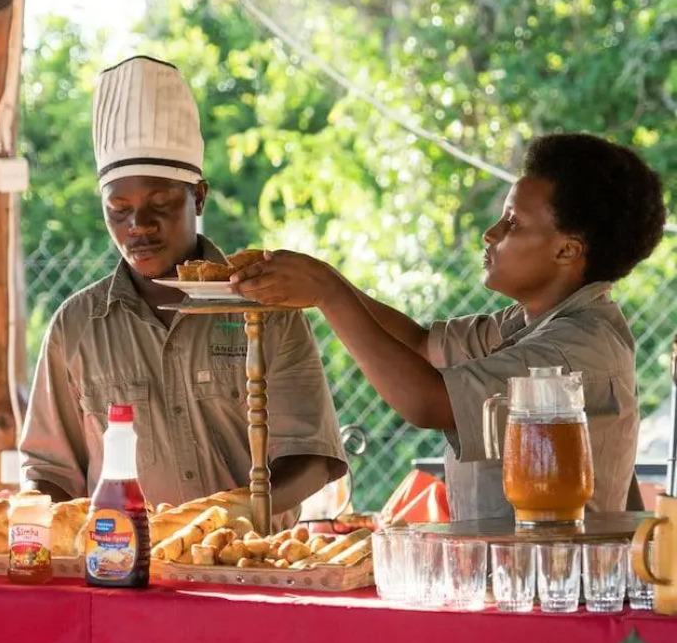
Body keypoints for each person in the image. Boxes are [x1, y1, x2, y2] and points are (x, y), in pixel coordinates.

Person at [232, 133, 667, 521]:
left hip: (555, 589)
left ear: (567, 251)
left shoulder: (577, 348)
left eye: (513, 222)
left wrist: (329, 293)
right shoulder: (527, 322)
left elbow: (429, 402)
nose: (491, 234)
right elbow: (422, 345)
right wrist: (320, 283)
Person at [19, 56, 347, 514]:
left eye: (159, 204)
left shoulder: (265, 305)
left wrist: (234, 515)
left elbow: (312, 456)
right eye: (119, 208)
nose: (139, 225)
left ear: (198, 197)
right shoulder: (76, 326)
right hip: (123, 568)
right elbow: (49, 471)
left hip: (251, 565)